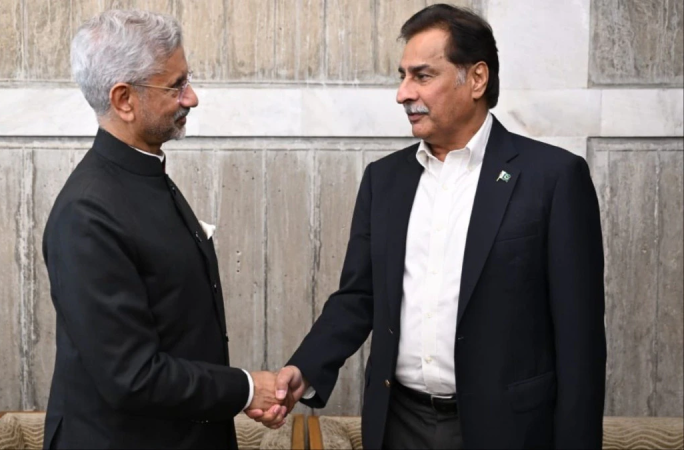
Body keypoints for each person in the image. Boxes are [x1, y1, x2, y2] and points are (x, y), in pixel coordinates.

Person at [249, 4, 606, 449]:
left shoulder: (553, 178)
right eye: (403, 76)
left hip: (508, 430)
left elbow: (580, 341)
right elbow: (360, 296)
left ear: (476, 79)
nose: (403, 93)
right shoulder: (384, 179)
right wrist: (304, 368)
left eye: (422, 76)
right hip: (398, 425)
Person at [42, 10, 284, 449]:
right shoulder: (87, 214)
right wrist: (247, 388)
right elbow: (131, 376)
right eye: (176, 85)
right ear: (124, 100)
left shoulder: (142, 174)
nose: (192, 98)